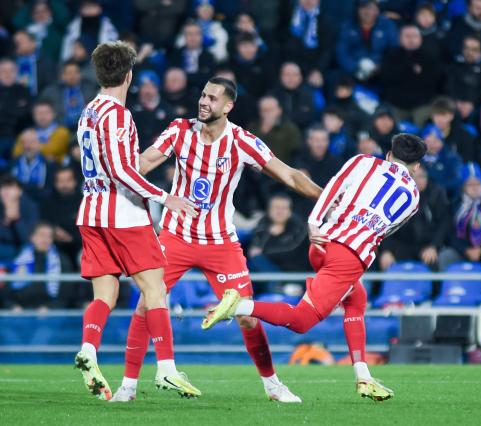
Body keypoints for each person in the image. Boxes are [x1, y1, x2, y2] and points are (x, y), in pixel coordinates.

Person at [112, 76, 323, 403]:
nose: (204, 102)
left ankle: (272, 384)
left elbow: (289, 175)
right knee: (145, 303)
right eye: (203, 95)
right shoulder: (180, 130)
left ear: (228, 106)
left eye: (212, 98)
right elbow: (143, 164)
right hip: (176, 237)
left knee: (247, 316)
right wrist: (111, 170)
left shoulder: (241, 141)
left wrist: (326, 201)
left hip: (221, 243)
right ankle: (127, 386)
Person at [202, 133, 426, 402]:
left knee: (357, 298)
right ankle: (237, 306)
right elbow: (385, 232)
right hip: (348, 258)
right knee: (300, 321)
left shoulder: (364, 162)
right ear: (416, 167)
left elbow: (333, 187)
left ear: (389, 154)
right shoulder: (413, 197)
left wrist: (315, 223)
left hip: (321, 243)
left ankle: (363, 376)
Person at [74, 41, 200, 401]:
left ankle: (88, 348)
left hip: (91, 211)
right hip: (122, 214)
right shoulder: (116, 114)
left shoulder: (88, 112)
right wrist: (166, 197)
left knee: (106, 293)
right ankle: (166, 369)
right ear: (129, 76)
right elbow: (121, 170)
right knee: (155, 289)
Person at [378, 165, 450, 270]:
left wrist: (433, 246)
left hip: (426, 245)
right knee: (384, 261)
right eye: (412, 177)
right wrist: (386, 251)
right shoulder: (397, 196)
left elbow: (444, 223)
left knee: (432, 261)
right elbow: (386, 225)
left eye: (421, 176)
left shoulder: (436, 194)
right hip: (401, 245)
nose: (416, 180)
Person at [380, 23, 440, 127]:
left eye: (414, 36)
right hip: (396, 104)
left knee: (425, 127)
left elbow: (433, 81)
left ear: (420, 38)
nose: (411, 40)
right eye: (407, 36)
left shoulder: (429, 57)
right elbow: (387, 78)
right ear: (400, 38)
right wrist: (410, 70)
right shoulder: (391, 56)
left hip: (422, 105)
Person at [4, 222, 73, 311]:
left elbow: (67, 292)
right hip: (20, 312)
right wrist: (12, 306)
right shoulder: (17, 258)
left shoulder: (62, 260)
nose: (45, 239)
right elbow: (6, 290)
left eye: (49, 236)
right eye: (41, 235)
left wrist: (51, 308)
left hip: (51, 313)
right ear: (32, 237)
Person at [13, 100, 70, 165]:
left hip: (57, 169)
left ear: (54, 114)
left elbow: (55, 150)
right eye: (38, 113)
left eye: (46, 113)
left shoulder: (63, 132)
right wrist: (42, 149)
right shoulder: (26, 132)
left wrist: (29, 147)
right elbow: (16, 153)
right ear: (33, 115)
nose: (42, 116)